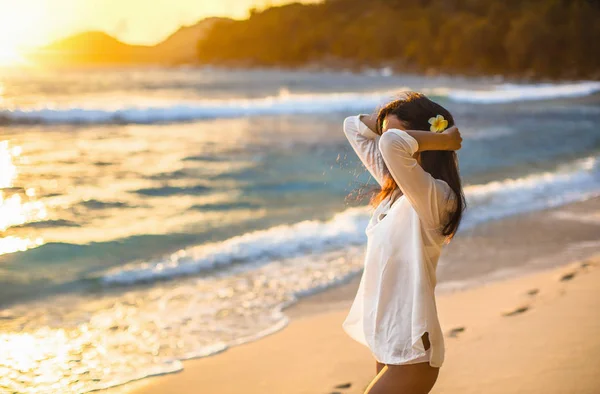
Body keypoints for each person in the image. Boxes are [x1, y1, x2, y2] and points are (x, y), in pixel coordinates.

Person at [341, 92, 466, 394]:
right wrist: (386, 118)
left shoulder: (436, 196)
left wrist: (443, 140)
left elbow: (391, 144)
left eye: (399, 133)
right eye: (385, 133)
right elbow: (352, 126)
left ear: (423, 139)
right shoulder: (397, 189)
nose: (386, 140)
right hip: (387, 341)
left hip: (413, 349)